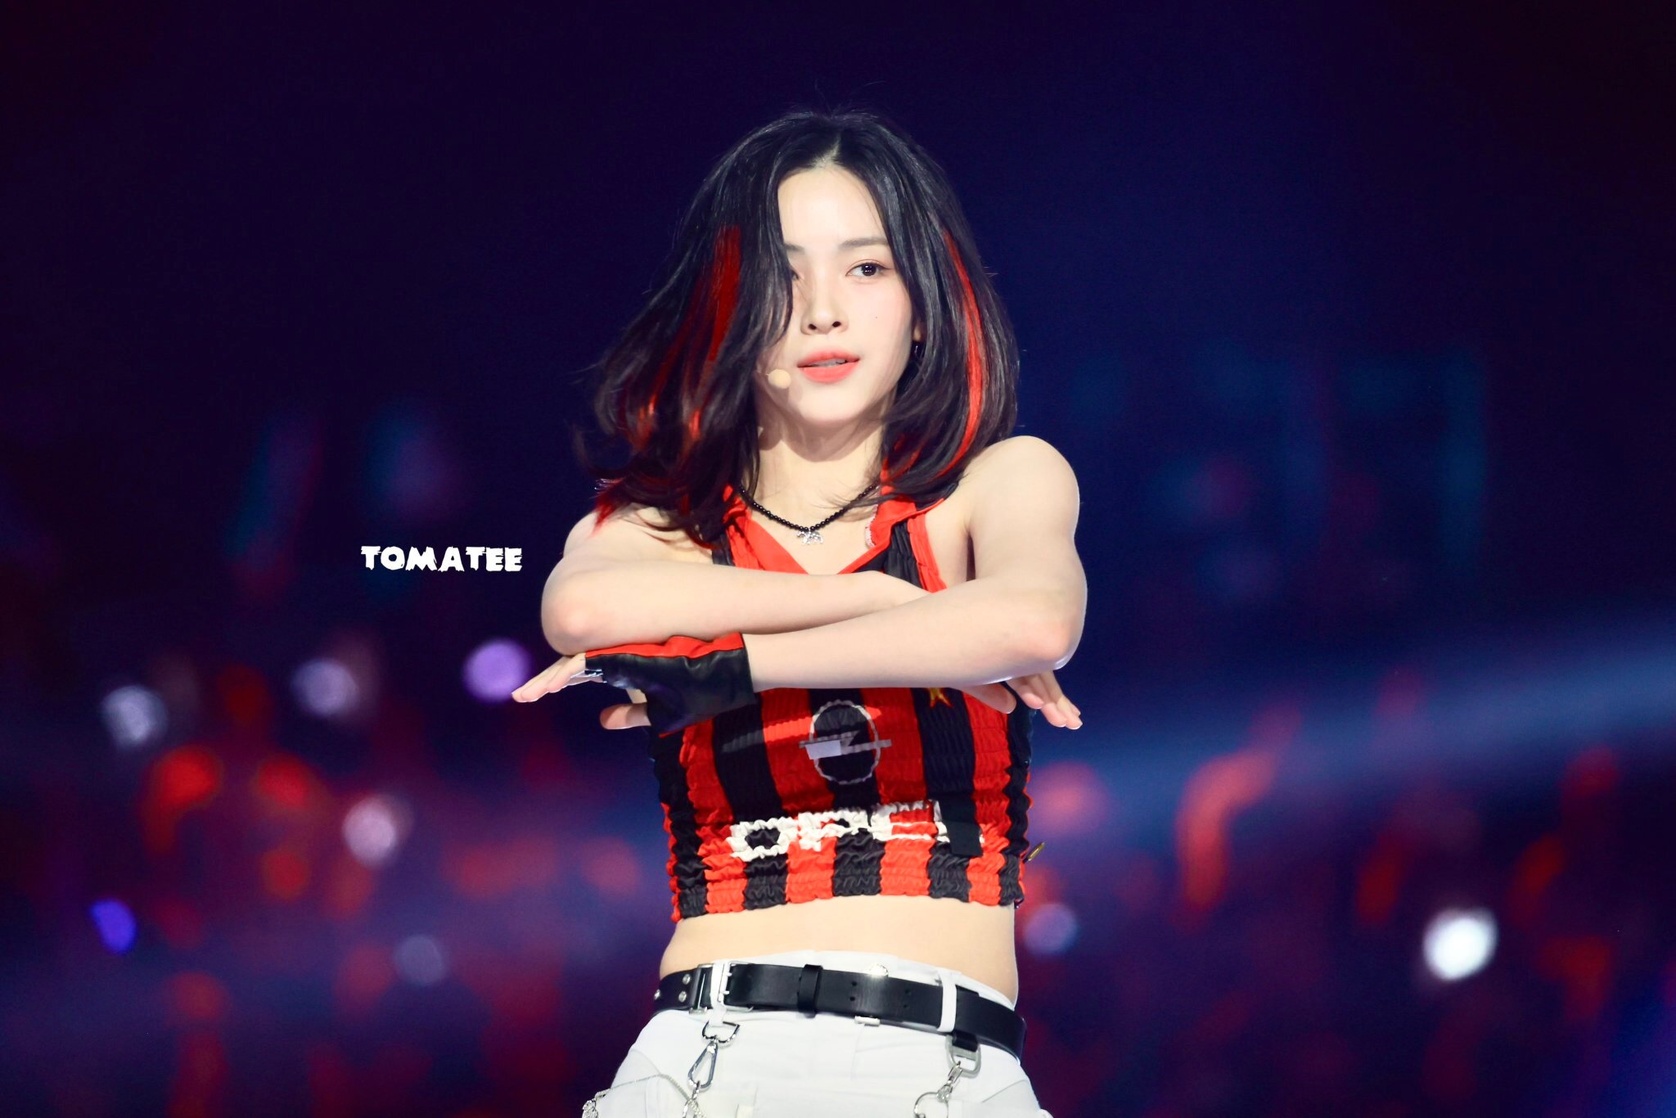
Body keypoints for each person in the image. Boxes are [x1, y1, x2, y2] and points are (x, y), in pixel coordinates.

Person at [513, 107, 1085, 1118]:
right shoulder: (665, 525)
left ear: (923, 305)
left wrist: (726, 669)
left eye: (866, 268)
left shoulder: (997, 482)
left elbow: (1035, 621)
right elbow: (580, 606)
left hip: (949, 1067)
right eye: (781, 277)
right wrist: (873, 595)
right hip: (707, 1057)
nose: (822, 312)